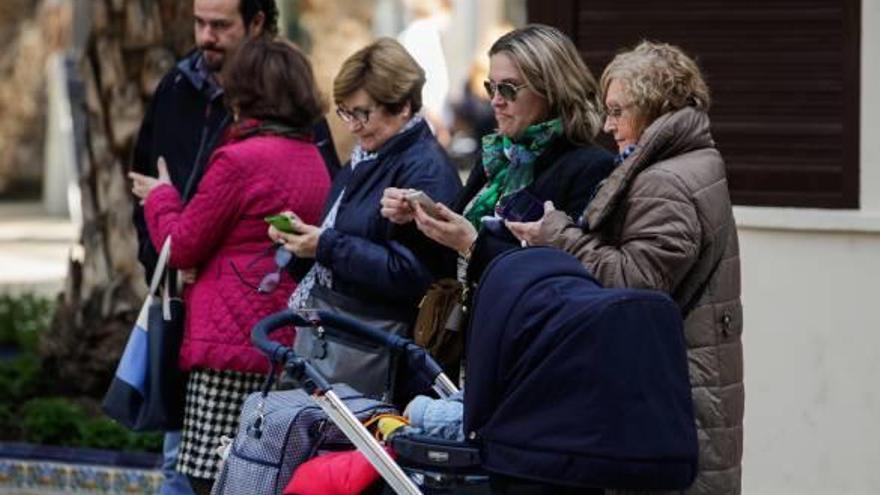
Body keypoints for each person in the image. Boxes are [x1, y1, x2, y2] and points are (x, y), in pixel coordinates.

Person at [507, 41, 743, 495]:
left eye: (618, 111)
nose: (608, 125)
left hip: (672, 399)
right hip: (689, 388)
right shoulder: (690, 162)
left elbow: (635, 284)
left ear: (654, 109)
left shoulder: (665, 181)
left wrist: (558, 233)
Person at [128, 2, 337, 492]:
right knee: (255, 477)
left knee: (201, 477)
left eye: (220, 25)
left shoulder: (240, 159)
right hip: (279, 337)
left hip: (223, 344)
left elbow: (181, 245)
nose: (206, 36)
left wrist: (161, 199)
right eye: (200, 23)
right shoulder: (312, 156)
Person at [268, 38, 461, 398]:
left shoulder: (425, 171)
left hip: (379, 357)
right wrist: (302, 243)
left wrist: (325, 245)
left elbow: (418, 278)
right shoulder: (369, 156)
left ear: (403, 106)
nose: (353, 126)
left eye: (362, 113)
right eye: (345, 112)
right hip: (348, 345)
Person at [381, 24, 615, 298]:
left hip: (524, 332)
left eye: (508, 89)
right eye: (491, 87)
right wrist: (416, 220)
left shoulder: (590, 167)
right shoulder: (498, 156)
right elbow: (442, 263)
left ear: (552, 89)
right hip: (473, 329)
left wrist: (471, 244)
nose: (495, 101)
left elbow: (565, 279)